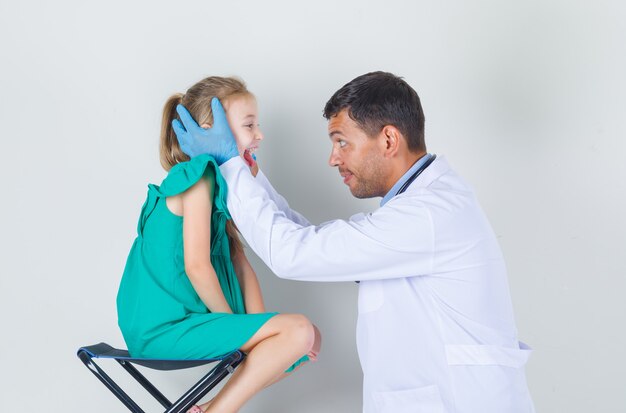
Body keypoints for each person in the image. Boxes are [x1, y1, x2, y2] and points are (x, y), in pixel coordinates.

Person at [173, 71, 535, 413]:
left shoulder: (428, 215)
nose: (333, 159)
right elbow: (306, 237)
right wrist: (245, 168)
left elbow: (292, 253)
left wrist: (231, 166)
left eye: (342, 142)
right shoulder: (411, 211)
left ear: (389, 140)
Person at [116, 76, 321, 413]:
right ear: (212, 129)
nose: (260, 135)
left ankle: (209, 407)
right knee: (298, 332)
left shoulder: (221, 188)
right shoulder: (197, 178)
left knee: (308, 337)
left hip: (183, 326)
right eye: (249, 124)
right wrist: (236, 330)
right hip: (162, 330)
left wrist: (257, 326)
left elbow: (240, 263)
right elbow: (197, 266)